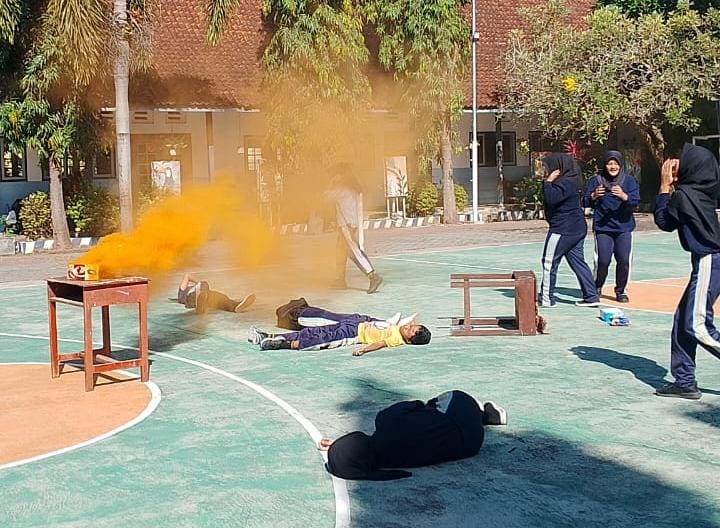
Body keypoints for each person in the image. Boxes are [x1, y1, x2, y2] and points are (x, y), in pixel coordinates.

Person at [318, 390, 507, 481]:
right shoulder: (385, 420)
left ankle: (482, 417)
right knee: (432, 404)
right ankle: (483, 412)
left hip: (472, 445)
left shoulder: (392, 464)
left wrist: (344, 451)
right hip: (461, 408)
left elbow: (368, 450)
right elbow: (417, 404)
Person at [653, 143, 720, 400]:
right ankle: (684, 381)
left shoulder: (685, 195)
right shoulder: (699, 191)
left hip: (708, 260)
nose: (674, 163)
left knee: (697, 325)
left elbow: (664, 222)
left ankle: (685, 380)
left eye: (681, 161)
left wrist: (664, 187)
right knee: (683, 322)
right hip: (707, 261)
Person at [539, 153, 600, 308]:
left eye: (547, 166)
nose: (546, 169)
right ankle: (591, 296)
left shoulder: (565, 183)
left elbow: (551, 199)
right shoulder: (572, 179)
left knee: (549, 262)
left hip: (563, 229)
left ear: (558, 168)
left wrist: (548, 182)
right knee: (578, 262)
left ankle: (546, 299)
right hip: (576, 228)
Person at [247, 306, 430, 354]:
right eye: (411, 325)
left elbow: (380, 343)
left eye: (410, 330)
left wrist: (363, 350)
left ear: (410, 340)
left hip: (351, 334)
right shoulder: (399, 329)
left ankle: (280, 344)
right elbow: (401, 323)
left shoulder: (396, 339)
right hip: (357, 322)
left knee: (317, 339)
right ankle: (267, 336)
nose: (408, 327)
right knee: (312, 330)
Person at [583, 150, 641, 302]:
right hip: (603, 228)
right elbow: (585, 201)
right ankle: (596, 287)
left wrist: (624, 196)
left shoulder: (629, 181)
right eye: (609, 163)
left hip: (624, 227)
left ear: (620, 165)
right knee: (602, 260)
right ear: (605, 165)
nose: (613, 166)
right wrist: (594, 196)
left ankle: (621, 290)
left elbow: (635, 201)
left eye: (616, 163)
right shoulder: (596, 180)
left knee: (623, 260)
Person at [326, 163, 383, 294]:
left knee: (354, 251)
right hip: (350, 224)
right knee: (340, 252)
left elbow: (326, 197)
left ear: (340, 176)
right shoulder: (353, 189)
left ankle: (372, 275)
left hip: (347, 225)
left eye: (334, 175)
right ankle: (339, 280)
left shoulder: (342, 190)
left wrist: (331, 183)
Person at [174, 273, 256, 315]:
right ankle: (199, 301)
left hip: (205, 297)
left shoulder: (181, 295)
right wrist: (198, 282)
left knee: (221, 299)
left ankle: (236, 307)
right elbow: (187, 276)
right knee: (204, 284)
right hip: (193, 296)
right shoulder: (182, 294)